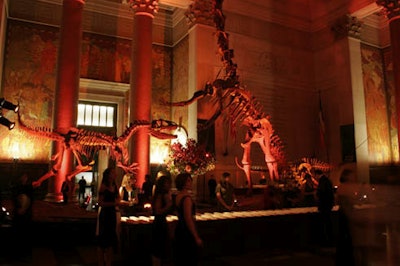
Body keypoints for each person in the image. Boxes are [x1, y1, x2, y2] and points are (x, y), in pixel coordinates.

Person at [173, 173, 203, 266]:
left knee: (181, 258)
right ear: (183, 183)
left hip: (179, 228)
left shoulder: (178, 196)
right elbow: (188, 219)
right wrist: (196, 236)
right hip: (186, 231)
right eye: (189, 181)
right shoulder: (187, 198)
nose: (191, 183)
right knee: (189, 258)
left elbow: (177, 213)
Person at [11, 173, 39, 261]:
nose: (24, 178)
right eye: (23, 176)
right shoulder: (19, 188)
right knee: (19, 234)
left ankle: (23, 254)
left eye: (25, 176)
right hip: (20, 215)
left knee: (24, 234)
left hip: (25, 215)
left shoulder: (26, 188)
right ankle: (19, 254)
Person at [96, 167, 121, 266]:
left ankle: (108, 262)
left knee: (110, 239)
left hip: (112, 214)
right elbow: (100, 203)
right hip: (105, 214)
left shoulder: (115, 185)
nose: (115, 174)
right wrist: (114, 204)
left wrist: (117, 202)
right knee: (103, 240)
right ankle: (101, 262)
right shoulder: (103, 187)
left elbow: (118, 198)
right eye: (113, 172)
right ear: (108, 175)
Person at [151, 171, 173, 266]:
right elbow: (158, 211)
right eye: (167, 183)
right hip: (159, 223)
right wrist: (168, 205)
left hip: (162, 222)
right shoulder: (160, 195)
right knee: (158, 247)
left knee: (161, 247)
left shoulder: (165, 194)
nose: (169, 185)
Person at [316, 169, 335, 246]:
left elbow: (322, 192)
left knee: (325, 222)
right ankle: (330, 238)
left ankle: (327, 239)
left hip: (324, 205)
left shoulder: (322, 181)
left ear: (317, 174)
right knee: (328, 221)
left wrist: (318, 195)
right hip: (328, 204)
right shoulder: (327, 180)